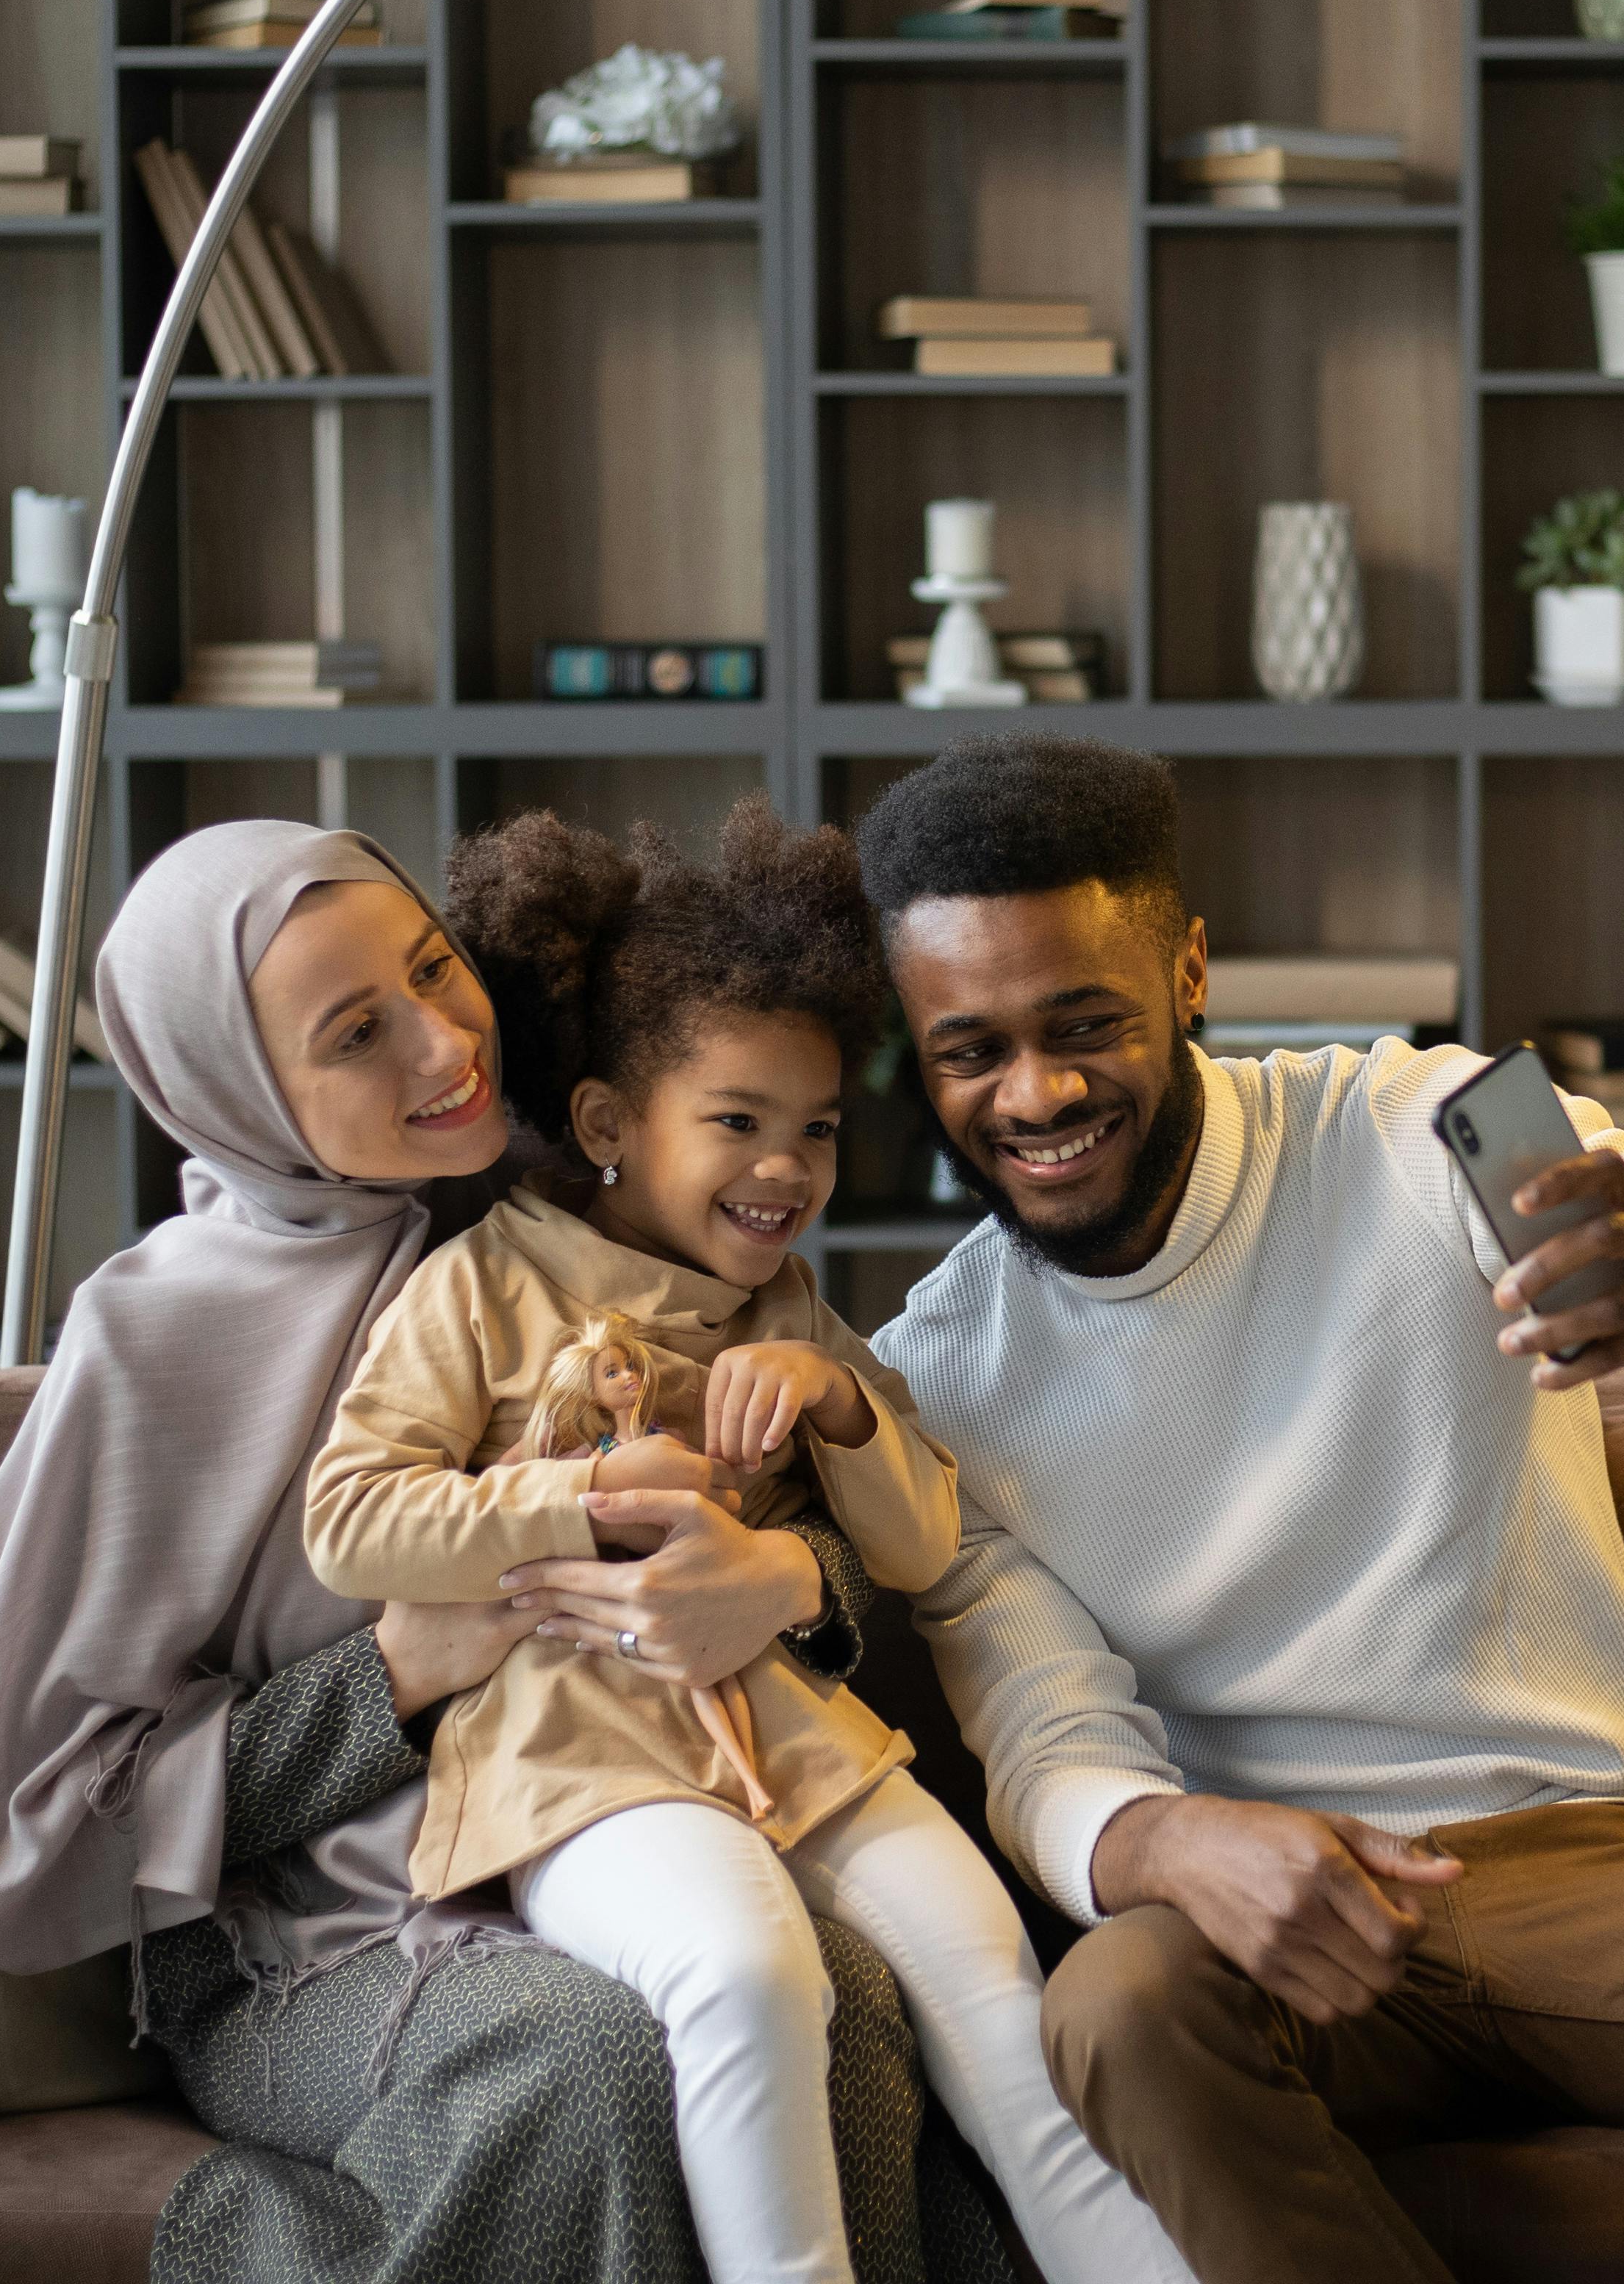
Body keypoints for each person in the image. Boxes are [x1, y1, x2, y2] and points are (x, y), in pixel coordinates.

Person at [852, 736, 1624, 2284]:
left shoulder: (1420, 1127)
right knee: (1110, 2007)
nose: (1037, 1094)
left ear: (1192, 972)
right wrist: (1170, 1842)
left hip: (1592, 1858)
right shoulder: (940, 1384)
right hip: (1298, 1921)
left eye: (1085, 1023)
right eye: (973, 1050)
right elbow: (1044, 1733)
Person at [0, 819, 1007, 2284]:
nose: (444, 1048)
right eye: (358, 1032)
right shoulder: (152, 1351)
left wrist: (794, 1585)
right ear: (242, 1092)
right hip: (298, 1940)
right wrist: (395, 1680)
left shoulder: (567, 1201)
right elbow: (54, 1823)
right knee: (591, 2059)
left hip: (598, 1822)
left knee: (852, 2003)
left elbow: (817, 1490)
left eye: (434, 968)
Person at [303, 800, 1192, 2284]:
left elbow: (917, 1551)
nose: (786, 1171)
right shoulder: (478, 1290)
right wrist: (582, 1500)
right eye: (737, 1123)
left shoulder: (790, 1313)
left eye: (818, 1130)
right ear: (607, 1125)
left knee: (991, 1972)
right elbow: (350, 1520)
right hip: (577, 1771)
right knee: (749, 1972)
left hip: (801, 1749)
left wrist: (844, 1408)